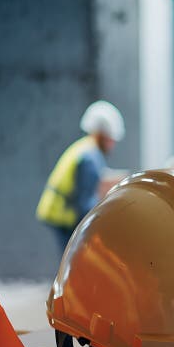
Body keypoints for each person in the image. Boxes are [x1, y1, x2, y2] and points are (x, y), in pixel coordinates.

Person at [36, 100, 125, 254]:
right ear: (101, 135)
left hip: (59, 210)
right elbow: (85, 202)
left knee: (71, 258)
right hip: (63, 214)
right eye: (111, 139)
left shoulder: (85, 148)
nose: (112, 145)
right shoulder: (90, 157)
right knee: (72, 259)